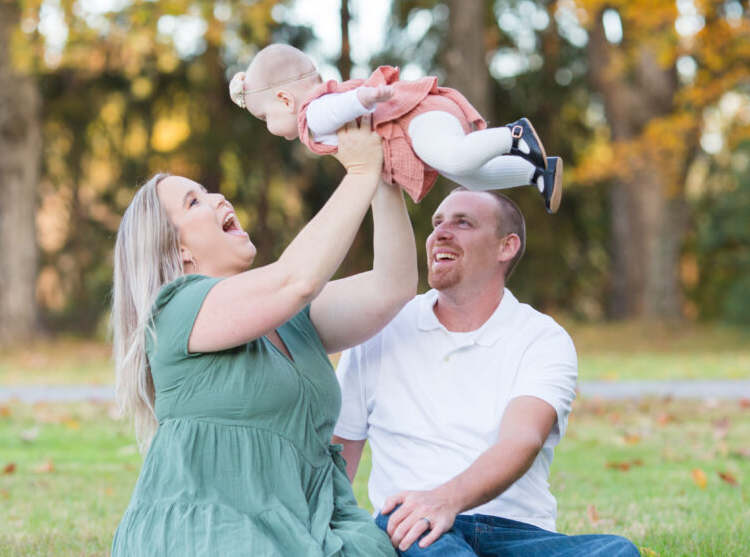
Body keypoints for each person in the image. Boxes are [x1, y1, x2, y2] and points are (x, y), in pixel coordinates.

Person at [110, 120, 417, 555]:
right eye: (194, 201)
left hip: (303, 525)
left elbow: (393, 286)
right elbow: (297, 278)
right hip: (210, 530)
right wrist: (359, 173)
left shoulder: (292, 319)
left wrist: (384, 174)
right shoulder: (175, 309)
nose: (218, 197)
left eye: (207, 190)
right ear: (178, 248)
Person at [332, 188, 640, 556]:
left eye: (463, 222)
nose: (440, 233)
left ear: (505, 247)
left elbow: (522, 440)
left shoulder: (541, 338)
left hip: (518, 534)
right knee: (419, 534)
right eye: (437, 223)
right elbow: (337, 456)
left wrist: (446, 500)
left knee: (617, 550)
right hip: (416, 529)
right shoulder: (380, 328)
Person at [229, 44, 562, 211]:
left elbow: (338, 107)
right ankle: (537, 174)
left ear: (286, 101)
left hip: (416, 118)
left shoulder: (312, 115)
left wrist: (365, 97)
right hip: (420, 124)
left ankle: (514, 135)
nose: (268, 127)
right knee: (471, 177)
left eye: (264, 118)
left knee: (456, 160)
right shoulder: (319, 110)